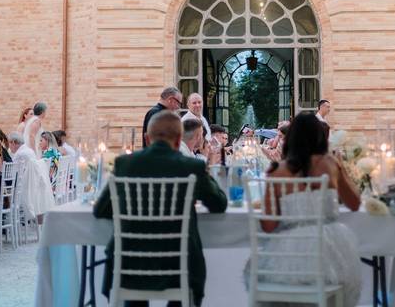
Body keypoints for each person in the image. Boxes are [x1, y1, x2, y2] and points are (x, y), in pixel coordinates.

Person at [95, 111, 227, 307]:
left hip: (129, 264)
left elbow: (101, 210)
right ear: (179, 140)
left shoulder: (125, 164)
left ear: (147, 139)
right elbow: (219, 204)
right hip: (179, 264)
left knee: (134, 278)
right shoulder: (191, 166)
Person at [246, 112, 362, 306]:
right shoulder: (331, 165)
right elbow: (355, 204)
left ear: (291, 138)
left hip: (288, 257)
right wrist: (340, 167)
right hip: (331, 256)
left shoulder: (277, 172)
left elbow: (268, 225)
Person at [10, 132, 55, 220]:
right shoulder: (29, 150)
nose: (9, 146)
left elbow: (11, 172)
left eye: (9, 143)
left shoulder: (20, 154)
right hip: (34, 185)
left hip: (25, 188)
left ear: (14, 143)